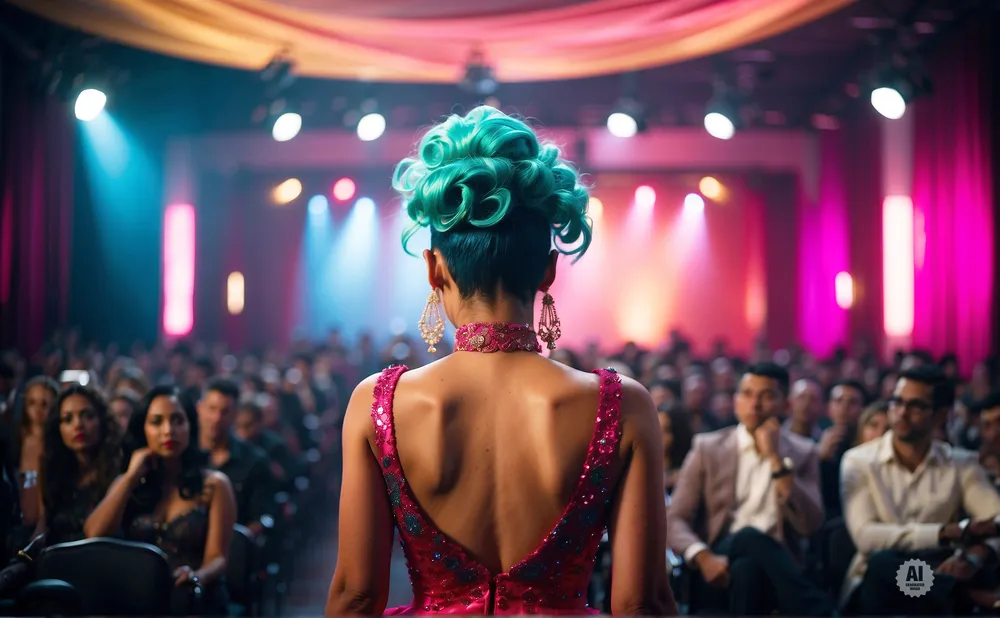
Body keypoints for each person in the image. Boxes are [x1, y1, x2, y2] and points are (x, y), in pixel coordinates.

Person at [325, 106, 675, 616]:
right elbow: (641, 602)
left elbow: (357, 594)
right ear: (549, 270)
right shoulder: (623, 406)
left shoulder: (377, 402)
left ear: (434, 267)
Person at [666, 362, 833, 616]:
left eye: (766, 396)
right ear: (736, 400)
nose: (754, 404)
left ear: (785, 405)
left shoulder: (804, 452)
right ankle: (813, 607)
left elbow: (811, 524)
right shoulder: (708, 448)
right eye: (747, 394)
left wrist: (776, 459)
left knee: (748, 569)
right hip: (717, 560)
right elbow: (674, 518)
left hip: (777, 569)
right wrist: (702, 556)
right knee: (747, 536)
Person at [85, 386, 236, 615]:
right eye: (156, 422)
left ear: (190, 427)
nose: (168, 431)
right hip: (135, 599)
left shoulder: (215, 484)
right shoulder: (128, 481)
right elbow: (94, 534)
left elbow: (218, 557)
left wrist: (196, 576)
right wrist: (130, 478)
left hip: (193, 597)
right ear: (143, 429)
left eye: (177, 421)